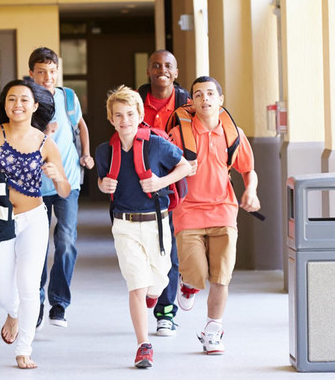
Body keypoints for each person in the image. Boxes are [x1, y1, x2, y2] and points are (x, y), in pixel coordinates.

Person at [0, 79, 70, 369]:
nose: (18, 105)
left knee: (28, 285)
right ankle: (13, 312)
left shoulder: (45, 142)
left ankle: (24, 348)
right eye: (12, 99)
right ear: (5, 104)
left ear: (35, 106)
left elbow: (64, 190)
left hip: (33, 219)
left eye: (24, 99)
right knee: (2, 290)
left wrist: (57, 178)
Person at [95, 86, 190, 368]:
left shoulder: (156, 145)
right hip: (124, 225)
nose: (124, 120)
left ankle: (153, 294)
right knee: (136, 285)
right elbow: (103, 180)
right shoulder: (104, 151)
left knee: (159, 280)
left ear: (139, 116)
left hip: (156, 223)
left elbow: (185, 166)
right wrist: (102, 184)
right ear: (111, 119)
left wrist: (161, 182)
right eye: (118, 115)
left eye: (129, 114)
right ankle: (143, 345)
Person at [168, 76, 260, 355]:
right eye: (198, 95)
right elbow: (164, 168)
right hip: (188, 211)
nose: (204, 98)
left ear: (220, 100)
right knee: (196, 272)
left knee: (221, 276)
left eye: (210, 94)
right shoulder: (179, 135)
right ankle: (188, 283)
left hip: (224, 211)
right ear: (192, 102)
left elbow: (248, 169)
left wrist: (251, 191)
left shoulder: (234, 134)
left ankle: (213, 330)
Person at [27, 47, 94, 329]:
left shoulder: (68, 97)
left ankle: (59, 303)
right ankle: (36, 302)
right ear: (31, 73)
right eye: (41, 72)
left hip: (68, 182)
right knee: (38, 247)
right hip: (35, 186)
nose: (47, 77)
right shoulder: (26, 100)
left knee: (66, 242)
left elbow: (81, 126)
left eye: (52, 71)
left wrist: (86, 154)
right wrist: (45, 134)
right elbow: (22, 140)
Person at [137, 50, 191, 336]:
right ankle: (151, 293)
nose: (162, 70)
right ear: (148, 70)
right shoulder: (135, 101)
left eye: (168, 66)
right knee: (144, 249)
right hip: (140, 185)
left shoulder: (186, 104)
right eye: (156, 65)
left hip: (174, 184)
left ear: (176, 72)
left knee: (169, 248)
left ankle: (166, 312)